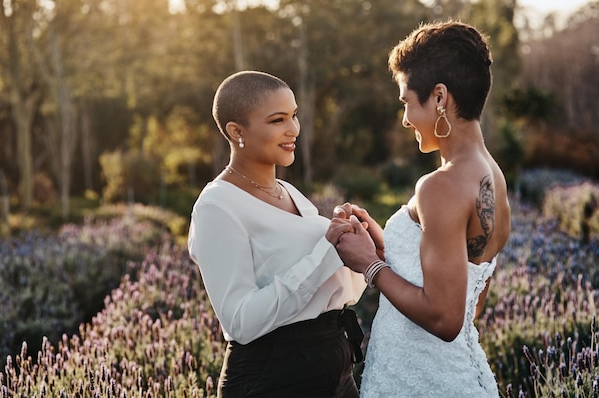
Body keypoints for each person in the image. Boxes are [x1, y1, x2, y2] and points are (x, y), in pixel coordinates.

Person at [331, 21, 511, 397]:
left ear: (440, 97)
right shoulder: (492, 176)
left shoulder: (440, 186)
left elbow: (445, 319)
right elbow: (464, 301)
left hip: (421, 383)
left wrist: (370, 265)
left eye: (406, 102)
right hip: (452, 375)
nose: (405, 118)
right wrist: (385, 248)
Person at [187, 70, 367, 398]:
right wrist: (326, 254)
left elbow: (332, 290)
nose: (293, 129)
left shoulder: (289, 192)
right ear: (236, 131)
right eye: (277, 120)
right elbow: (241, 321)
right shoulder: (217, 206)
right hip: (274, 378)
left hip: (335, 368)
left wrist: (359, 244)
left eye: (294, 116)